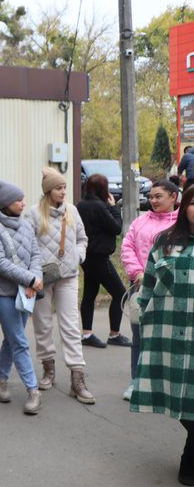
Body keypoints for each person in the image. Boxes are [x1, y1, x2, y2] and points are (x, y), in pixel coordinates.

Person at [129, 185, 194, 486]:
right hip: (169, 335)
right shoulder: (166, 242)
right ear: (185, 206)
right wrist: (142, 316)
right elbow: (149, 285)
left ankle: (189, 458)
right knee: (178, 399)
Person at [27, 167, 93, 404]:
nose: (63, 191)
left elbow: (83, 238)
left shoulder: (72, 210)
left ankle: (77, 378)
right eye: (58, 188)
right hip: (42, 278)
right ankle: (48, 369)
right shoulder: (34, 214)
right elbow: (28, 246)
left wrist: (79, 255)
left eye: (64, 187)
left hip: (68, 276)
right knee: (42, 324)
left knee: (71, 325)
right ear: (48, 191)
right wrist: (32, 275)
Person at [0, 180, 43, 415]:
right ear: (7, 203)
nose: (24, 203)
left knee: (10, 339)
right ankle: (33, 391)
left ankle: (1, 382)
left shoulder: (27, 225)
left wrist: (34, 282)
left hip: (26, 292)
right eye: (19, 200)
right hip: (2, 294)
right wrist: (29, 279)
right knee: (19, 340)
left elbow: (35, 255)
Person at [120, 179, 179, 401]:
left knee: (170, 338)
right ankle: (136, 381)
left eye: (158, 196)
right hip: (141, 286)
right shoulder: (140, 222)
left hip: (172, 289)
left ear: (173, 197)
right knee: (139, 335)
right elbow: (127, 247)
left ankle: (168, 383)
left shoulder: (183, 223)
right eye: (151, 197)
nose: (153, 200)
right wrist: (137, 273)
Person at [76, 174, 129, 348]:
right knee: (120, 292)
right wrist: (114, 207)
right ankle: (114, 334)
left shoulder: (81, 204)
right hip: (99, 256)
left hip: (87, 255)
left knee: (90, 294)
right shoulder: (99, 206)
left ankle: (87, 334)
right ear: (103, 189)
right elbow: (115, 228)